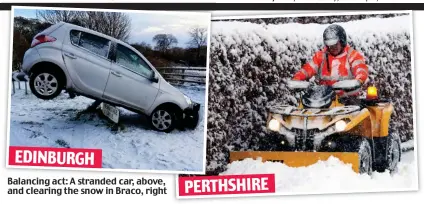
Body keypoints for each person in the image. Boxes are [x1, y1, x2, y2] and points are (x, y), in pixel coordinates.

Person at [292, 24, 369, 101]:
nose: (333, 48)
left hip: (348, 98)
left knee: (356, 110)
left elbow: (360, 68)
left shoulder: (352, 54)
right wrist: (297, 79)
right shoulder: (320, 56)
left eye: (335, 44)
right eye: (330, 45)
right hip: (324, 99)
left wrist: (359, 80)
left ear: (342, 42)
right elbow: (308, 69)